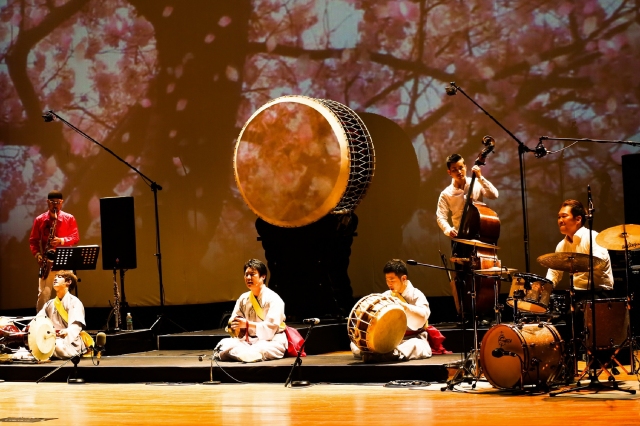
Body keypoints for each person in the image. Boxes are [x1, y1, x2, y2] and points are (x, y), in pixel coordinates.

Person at [351, 259, 432, 362]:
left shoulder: (416, 295)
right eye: (387, 280)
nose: (389, 284)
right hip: (389, 339)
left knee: (416, 345)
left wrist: (403, 306)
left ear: (403, 278)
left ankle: (384, 355)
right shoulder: (386, 295)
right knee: (355, 344)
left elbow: (422, 318)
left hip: (412, 338)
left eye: (392, 280)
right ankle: (380, 354)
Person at [215, 259, 288, 362]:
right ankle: (248, 355)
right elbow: (234, 322)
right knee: (223, 345)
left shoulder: (274, 299)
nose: (248, 278)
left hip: (270, 340)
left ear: (263, 276)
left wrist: (247, 324)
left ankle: (247, 355)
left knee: (261, 348)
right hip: (248, 341)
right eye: (246, 275)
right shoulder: (243, 298)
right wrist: (236, 328)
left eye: (252, 274)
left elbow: (270, 330)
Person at [545, 199, 614, 296]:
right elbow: (554, 272)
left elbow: (599, 262)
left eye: (564, 216)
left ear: (578, 219)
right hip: (577, 294)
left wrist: (577, 263)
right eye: (559, 217)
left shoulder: (593, 237)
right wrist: (545, 288)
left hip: (600, 293)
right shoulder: (562, 245)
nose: (560, 221)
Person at [29, 190, 80, 312]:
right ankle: (41, 321)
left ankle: (66, 321)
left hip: (65, 262)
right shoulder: (40, 220)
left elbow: (75, 237)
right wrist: (37, 254)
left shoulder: (69, 218)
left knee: (66, 295)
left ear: (62, 203)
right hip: (47, 263)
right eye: (52, 202)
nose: (55, 205)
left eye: (58, 202)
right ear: (47, 202)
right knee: (43, 295)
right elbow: (33, 240)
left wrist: (61, 241)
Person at [436, 153, 499, 238]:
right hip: (460, 237)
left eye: (461, 168)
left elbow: (494, 195)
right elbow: (441, 217)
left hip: (480, 234)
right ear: (449, 172)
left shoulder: (477, 182)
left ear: (465, 167)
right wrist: (448, 229)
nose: (459, 172)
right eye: (454, 170)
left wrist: (480, 177)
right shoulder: (446, 194)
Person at [33, 271, 94, 359]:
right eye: (55, 277)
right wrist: (28, 328)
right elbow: (38, 320)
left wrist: (67, 332)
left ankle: (42, 353)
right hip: (52, 338)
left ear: (68, 282)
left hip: (70, 343)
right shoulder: (49, 304)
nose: (55, 279)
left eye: (59, 277)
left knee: (57, 346)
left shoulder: (74, 302)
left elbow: (76, 326)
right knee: (34, 342)